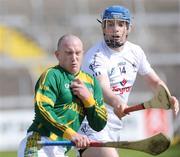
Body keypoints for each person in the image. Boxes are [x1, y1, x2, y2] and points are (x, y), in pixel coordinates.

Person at [78, 5, 179, 157]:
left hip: (114, 127)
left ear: (128, 28)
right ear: (103, 28)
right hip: (91, 125)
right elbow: (103, 87)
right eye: (110, 24)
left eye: (120, 24)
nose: (115, 29)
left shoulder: (135, 52)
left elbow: (153, 80)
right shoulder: (95, 56)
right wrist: (116, 102)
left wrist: (166, 95)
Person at [18, 34, 107, 157]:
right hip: (39, 144)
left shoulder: (92, 82)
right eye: (69, 53)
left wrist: (88, 99)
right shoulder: (51, 75)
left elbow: (99, 124)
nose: (74, 58)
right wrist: (72, 134)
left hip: (61, 150)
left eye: (78, 53)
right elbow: (42, 110)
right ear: (58, 55)